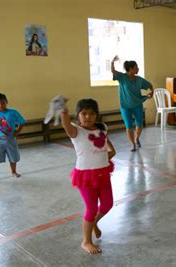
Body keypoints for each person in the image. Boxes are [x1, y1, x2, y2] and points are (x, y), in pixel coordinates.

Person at [61, 98, 116, 254]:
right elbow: (66, 125)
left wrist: (111, 151)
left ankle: (94, 224)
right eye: (83, 113)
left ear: (97, 116)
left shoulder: (102, 128)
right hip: (85, 176)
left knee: (107, 205)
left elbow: (106, 141)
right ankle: (86, 241)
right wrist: (63, 111)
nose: (87, 117)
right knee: (91, 208)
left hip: (103, 172)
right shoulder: (76, 131)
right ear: (77, 116)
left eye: (92, 114)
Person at [111, 55, 153, 152]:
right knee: (129, 125)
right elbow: (113, 71)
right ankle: (133, 144)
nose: (138, 69)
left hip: (137, 104)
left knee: (139, 123)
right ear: (130, 69)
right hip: (125, 106)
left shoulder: (139, 79)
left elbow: (149, 85)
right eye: (136, 67)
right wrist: (112, 62)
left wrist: (152, 92)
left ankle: (137, 138)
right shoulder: (122, 77)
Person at [0, 93, 26, 183]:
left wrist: (17, 132)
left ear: (6, 102)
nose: (0, 105)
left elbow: (22, 122)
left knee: (13, 156)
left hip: (10, 139)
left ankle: (13, 172)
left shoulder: (13, 112)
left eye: (3, 102)